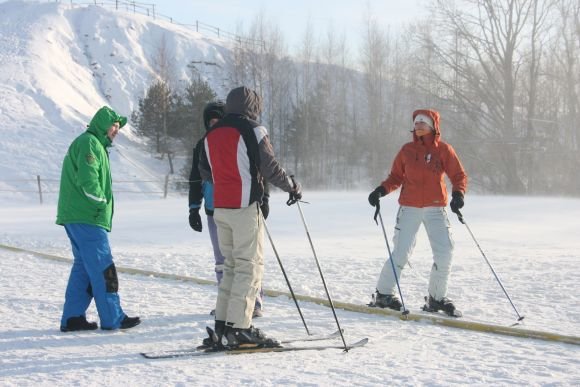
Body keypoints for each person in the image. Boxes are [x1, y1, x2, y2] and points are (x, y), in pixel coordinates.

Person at [198, 86, 302, 348]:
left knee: (230, 267)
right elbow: (270, 168)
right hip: (244, 206)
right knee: (249, 267)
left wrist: (227, 180)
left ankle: (223, 325)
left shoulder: (211, 134)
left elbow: (204, 170)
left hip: (220, 207)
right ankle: (240, 328)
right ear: (253, 107)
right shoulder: (253, 130)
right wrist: (292, 185)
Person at [368, 109, 467, 317]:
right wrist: (380, 191)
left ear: (433, 126)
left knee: (445, 251)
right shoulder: (406, 151)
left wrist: (458, 194)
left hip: (436, 209)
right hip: (410, 208)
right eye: (416, 122)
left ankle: (436, 299)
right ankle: (383, 294)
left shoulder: (444, 150)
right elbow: (395, 177)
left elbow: (458, 175)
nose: (419, 125)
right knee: (401, 253)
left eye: (423, 122)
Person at [56, 106, 140, 331]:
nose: (116, 130)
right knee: (104, 268)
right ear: (103, 124)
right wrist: (100, 202)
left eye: (118, 127)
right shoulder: (89, 143)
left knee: (83, 267)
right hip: (88, 217)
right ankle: (114, 318)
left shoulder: (94, 144)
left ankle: (73, 318)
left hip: (78, 216)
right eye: (114, 125)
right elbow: (88, 179)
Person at [188, 101, 266, 318]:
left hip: (242, 204)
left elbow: (257, 169)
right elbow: (195, 178)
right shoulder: (204, 144)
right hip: (216, 210)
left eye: (218, 121)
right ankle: (228, 303)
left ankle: (254, 301)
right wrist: (193, 208)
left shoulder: (240, 139)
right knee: (222, 259)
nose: (214, 125)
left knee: (247, 258)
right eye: (210, 122)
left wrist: (264, 199)